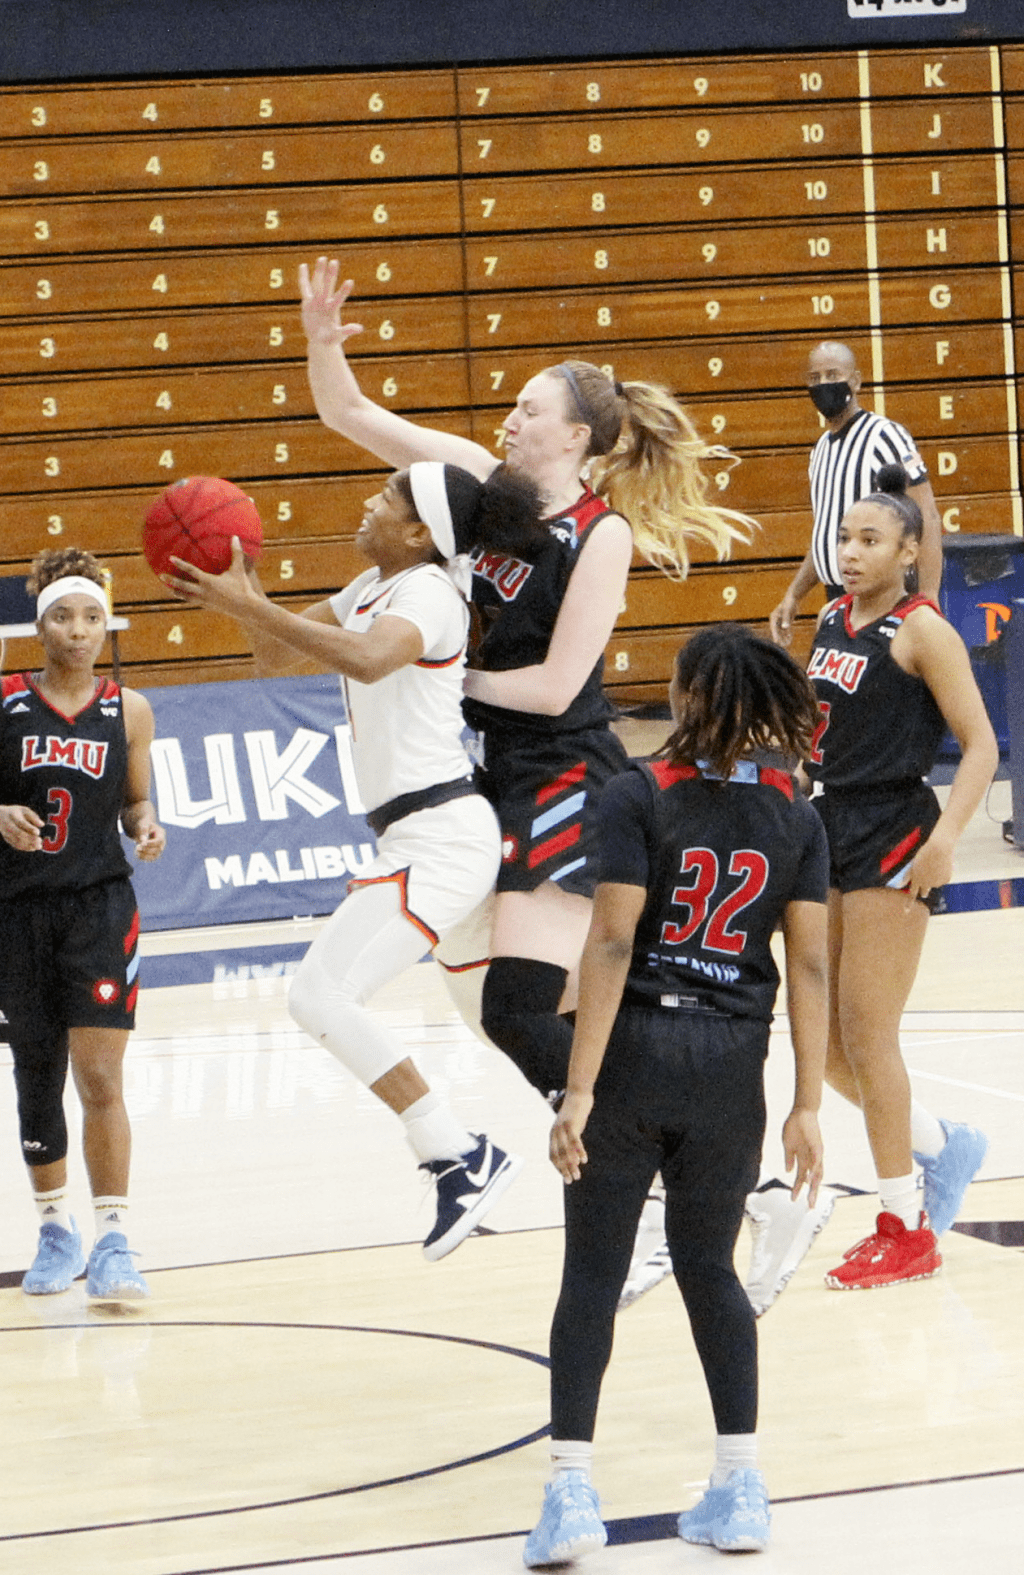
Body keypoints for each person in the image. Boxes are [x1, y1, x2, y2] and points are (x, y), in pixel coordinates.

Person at [299, 257, 756, 1301]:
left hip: (567, 776)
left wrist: (438, 668)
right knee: (500, 1010)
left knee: (513, 1010)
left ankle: (666, 1185)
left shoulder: (602, 537)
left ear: (578, 438)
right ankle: (681, 1158)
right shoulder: (476, 481)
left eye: (527, 410)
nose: (506, 421)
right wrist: (326, 337)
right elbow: (350, 411)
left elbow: (555, 689)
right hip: (489, 776)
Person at [166, 462, 546, 1260]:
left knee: (320, 993)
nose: (368, 502)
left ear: (419, 532)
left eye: (388, 498)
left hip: (441, 835)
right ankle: (627, 1132)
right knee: (501, 1018)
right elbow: (276, 658)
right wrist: (248, 590)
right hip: (422, 833)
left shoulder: (429, 595)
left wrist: (251, 603)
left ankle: (458, 1153)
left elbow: (372, 661)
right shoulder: (375, 584)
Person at [522, 625, 829, 1566]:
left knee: (592, 1274)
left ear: (694, 696)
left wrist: (576, 1089)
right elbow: (810, 962)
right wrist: (808, 1104)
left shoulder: (635, 792)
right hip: (733, 1060)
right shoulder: (798, 814)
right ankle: (740, 1487)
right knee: (711, 1270)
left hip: (637, 1049)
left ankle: (572, 1492)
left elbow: (611, 944)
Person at [807, 465, 996, 1291]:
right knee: (825, 1048)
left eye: (869, 539)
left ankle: (904, 1226)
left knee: (867, 1032)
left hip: (894, 830)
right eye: (845, 538)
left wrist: (949, 836)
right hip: (828, 825)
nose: (850, 552)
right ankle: (944, 1145)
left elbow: (983, 746)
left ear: (909, 551)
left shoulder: (925, 631)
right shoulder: (829, 617)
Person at [0, 548, 165, 1298]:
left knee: (101, 1075)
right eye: (64, 617)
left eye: (92, 617)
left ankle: (115, 1240)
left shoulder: (127, 708)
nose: (78, 630)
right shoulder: (4, 701)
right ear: (39, 625)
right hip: (18, 910)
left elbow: (136, 801)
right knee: (37, 1076)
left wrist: (148, 824)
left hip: (100, 907)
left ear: (107, 625)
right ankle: (54, 1230)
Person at [769, 340, 943, 646]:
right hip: (839, 598)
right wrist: (794, 594)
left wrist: (928, 595)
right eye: (815, 378)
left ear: (856, 381)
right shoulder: (820, 449)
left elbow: (926, 514)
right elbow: (825, 535)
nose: (823, 384)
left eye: (832, 374)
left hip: (884, 596)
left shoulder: (884, 435)